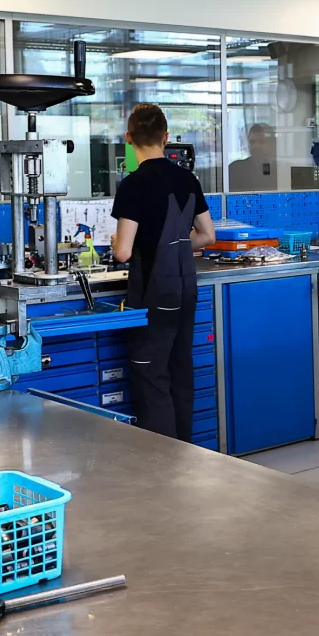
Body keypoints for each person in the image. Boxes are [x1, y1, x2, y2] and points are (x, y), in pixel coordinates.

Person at [112, 103, 217, 442]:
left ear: (129, 138)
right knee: (179, 370)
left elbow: (122, 252)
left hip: (153, 292)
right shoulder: (188, 179)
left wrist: (117, 241)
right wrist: (176, 244)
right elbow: (208, 235)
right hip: (185, 289)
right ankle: (185, 452)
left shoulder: (133, 184)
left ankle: (162, 461)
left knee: (151, 375)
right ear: (166, 137)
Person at [227, 123, 278, 193]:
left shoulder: (281, 171)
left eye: (262, 142)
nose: (256, 146)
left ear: (272, 144)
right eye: (252, 142)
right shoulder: (235, 169)